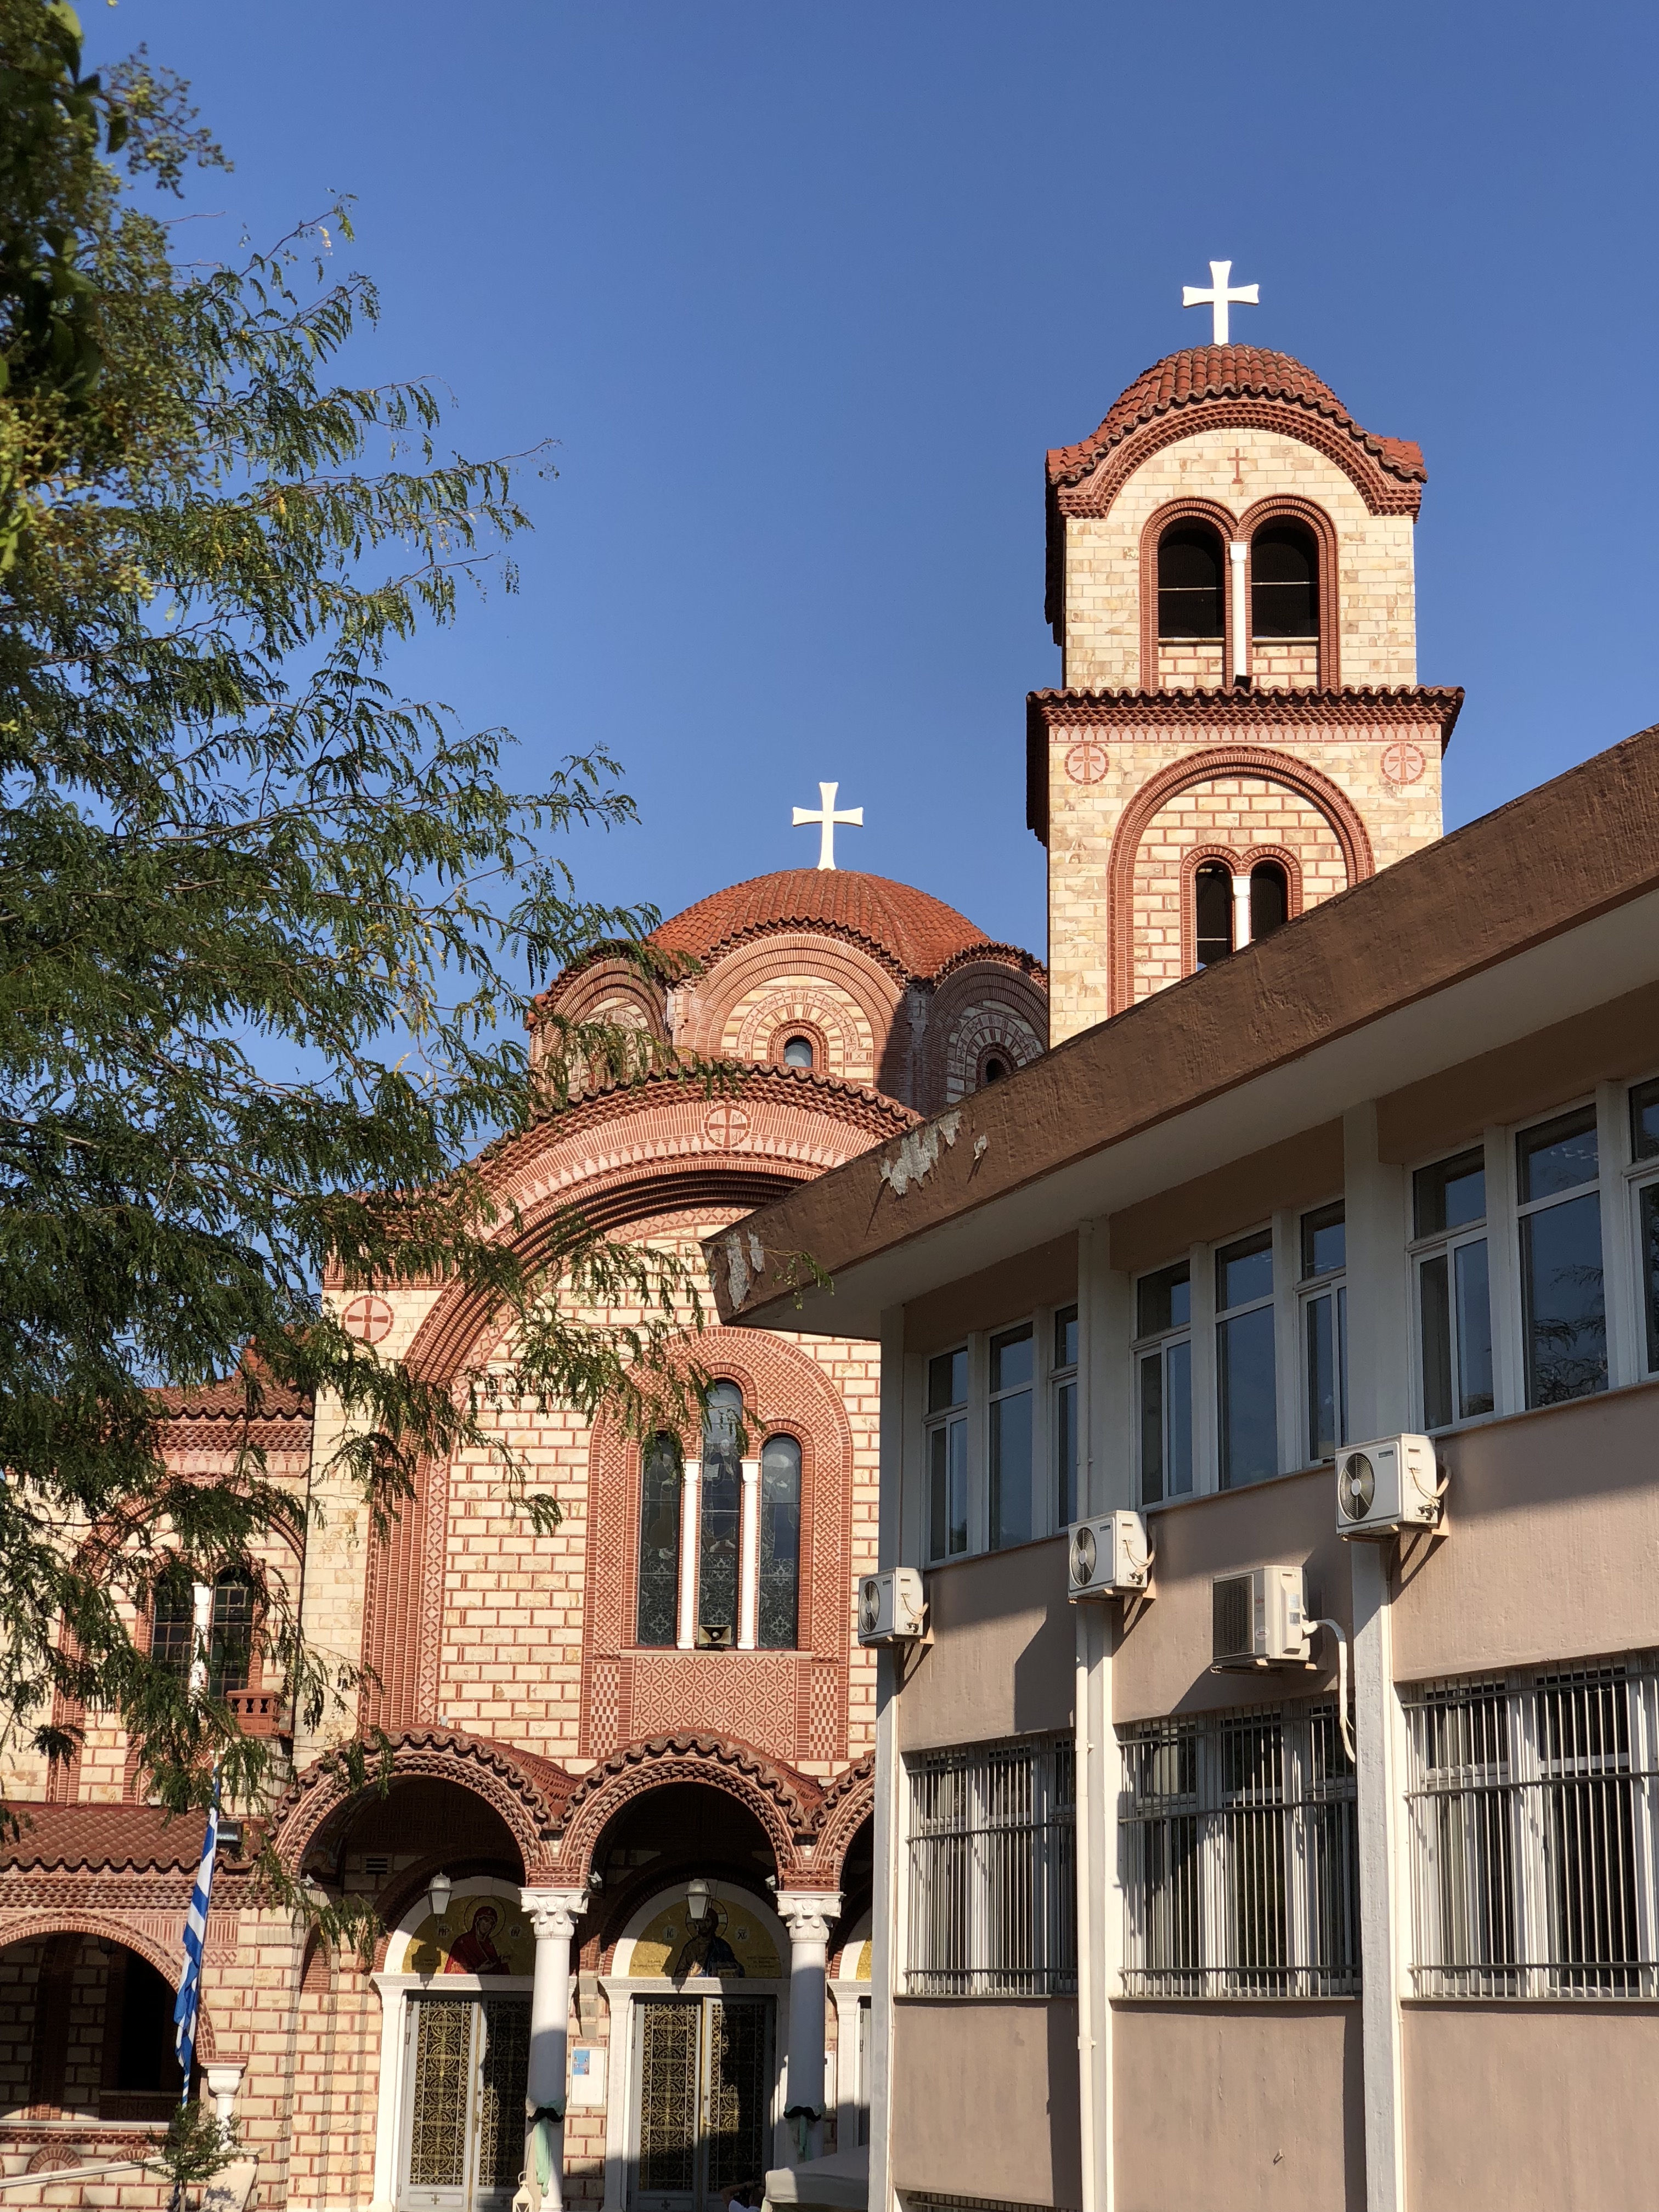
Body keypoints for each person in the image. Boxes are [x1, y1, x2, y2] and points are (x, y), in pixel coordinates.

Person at [446, 1901, 511, 1976]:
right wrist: (478, 1970)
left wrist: (501, 1963)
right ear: (478, 1921)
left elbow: (495, 1971)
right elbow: (455, 1969)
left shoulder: (488, 1944)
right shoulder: (463, 1942)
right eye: (486, 1921)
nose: (487, 1925)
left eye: (491, 1923)